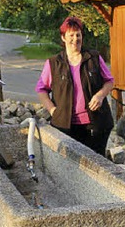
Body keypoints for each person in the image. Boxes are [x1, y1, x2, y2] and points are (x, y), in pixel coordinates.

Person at [35, 16, 114, 156]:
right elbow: (41, 90)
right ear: (63, 37)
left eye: (78, 35)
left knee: (97, 164)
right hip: (65, 125)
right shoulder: (53, 63)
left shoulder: (93, 58)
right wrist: (52, 110)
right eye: (71, 35)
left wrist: (100, 95)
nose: (75, 39)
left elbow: (109, 81)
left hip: (95, 124)